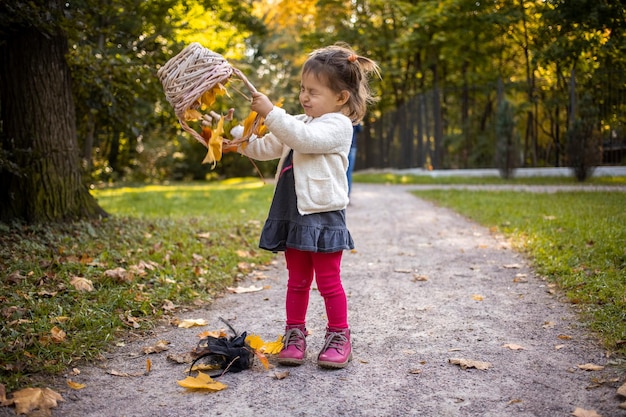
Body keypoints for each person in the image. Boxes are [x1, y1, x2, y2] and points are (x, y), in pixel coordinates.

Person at [226, 43, 379, 369]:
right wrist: (235, 133)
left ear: (341, 98)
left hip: (323, 214)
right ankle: (294, 334)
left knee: (327, 280)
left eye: (313, 91)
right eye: (302, 90)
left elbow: (303, 140)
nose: (304, 97)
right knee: (296, 280)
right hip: (292, 213)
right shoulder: (298, 121)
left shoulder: (338, 126)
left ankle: (339, 335)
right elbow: (266, 145)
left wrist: (271, 112)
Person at [347, 122, 362, 196]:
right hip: (352, 146)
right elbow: (359, 129)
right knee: (349, 172)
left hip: (344, 146)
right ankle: (347, 195)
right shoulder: (354, 116)